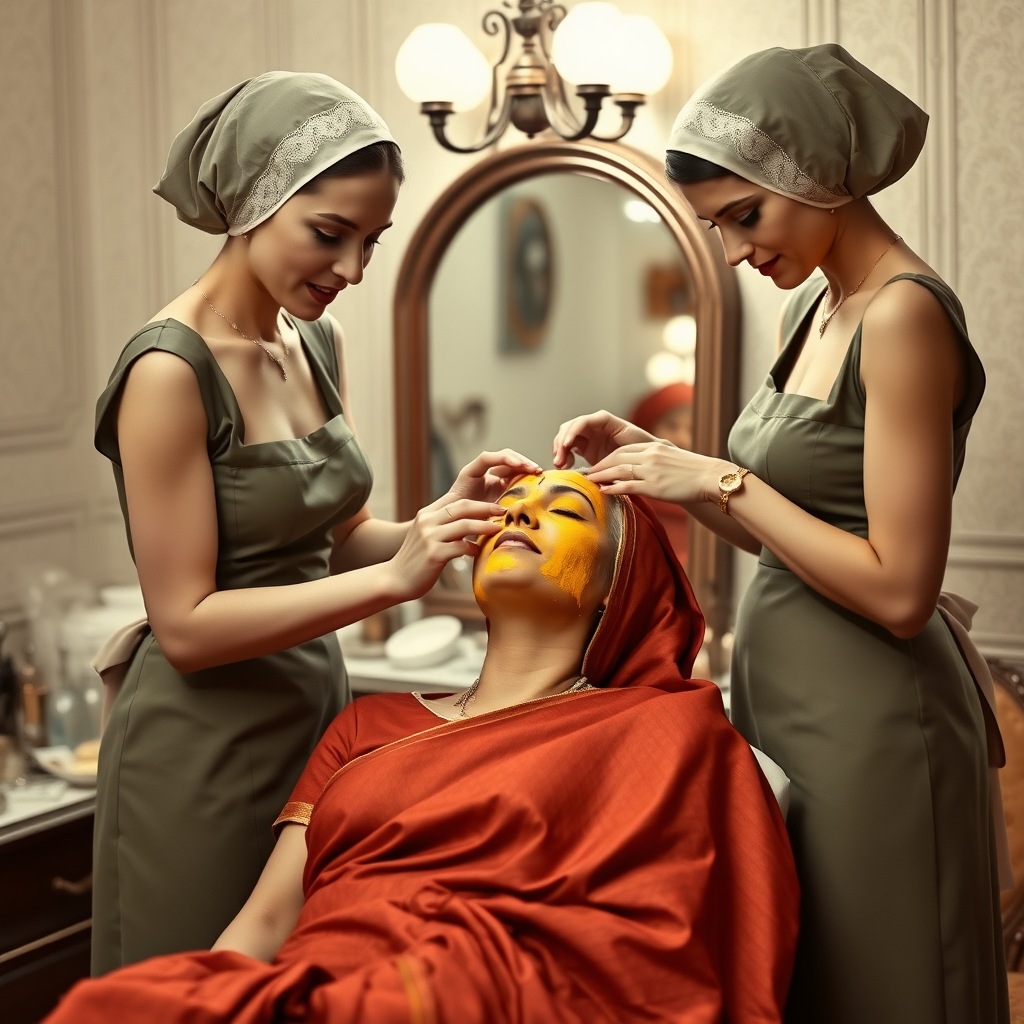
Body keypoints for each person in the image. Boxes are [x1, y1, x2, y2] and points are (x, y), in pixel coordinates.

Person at [553, 44, 1009, 1024]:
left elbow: (898, 589)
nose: (732, 251)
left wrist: (713, 475)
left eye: (744, 215)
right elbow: (795, 526)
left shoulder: (901, 317)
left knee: (884, 987)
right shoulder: (816, 309)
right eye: (717, 225)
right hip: (786, 713)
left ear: (817, 174)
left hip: (875, 726)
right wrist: (654, 454)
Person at [46, 471, 799, 1024]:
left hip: (481, 999)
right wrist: (211, 1003)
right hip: (316, 989)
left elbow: (662, 949)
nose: (521, 519)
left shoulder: (660, 731)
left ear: (618, 583)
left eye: (563, 511)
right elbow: (269, 918)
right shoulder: (367, 725)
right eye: (508, 509)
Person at [90, 71, 540, 974]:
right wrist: (392, 578)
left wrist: (443, 524)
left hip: (314, 732)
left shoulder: (314, 342)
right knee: (201, 987)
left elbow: (337, 537)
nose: (352, 272)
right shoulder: (170, 372)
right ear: (255, 201)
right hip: (199, 754)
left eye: (371, 241)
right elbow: (184, 627)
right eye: (329, 235)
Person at [627, 382, 694, 566]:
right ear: (646, 429)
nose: (682, 439)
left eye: (692, 430)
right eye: (672, 426)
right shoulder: (622, 499)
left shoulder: (713, 507)